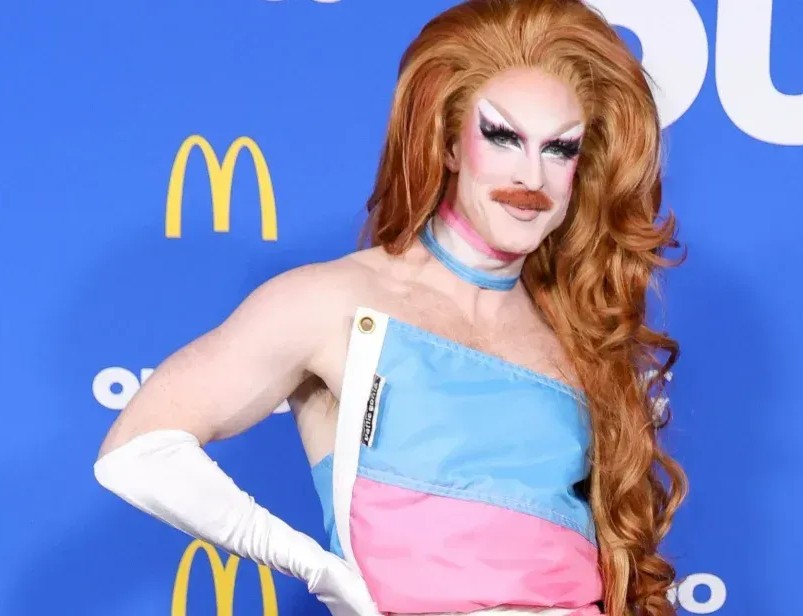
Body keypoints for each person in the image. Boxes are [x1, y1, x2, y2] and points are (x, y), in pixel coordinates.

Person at [93, 1, 687, 615]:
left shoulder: (577, 337)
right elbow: (137, 451)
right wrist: (316, 569)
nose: (531, 176)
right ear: (449, 144)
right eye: (503, 137)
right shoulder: (334, 300)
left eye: (560, 148)